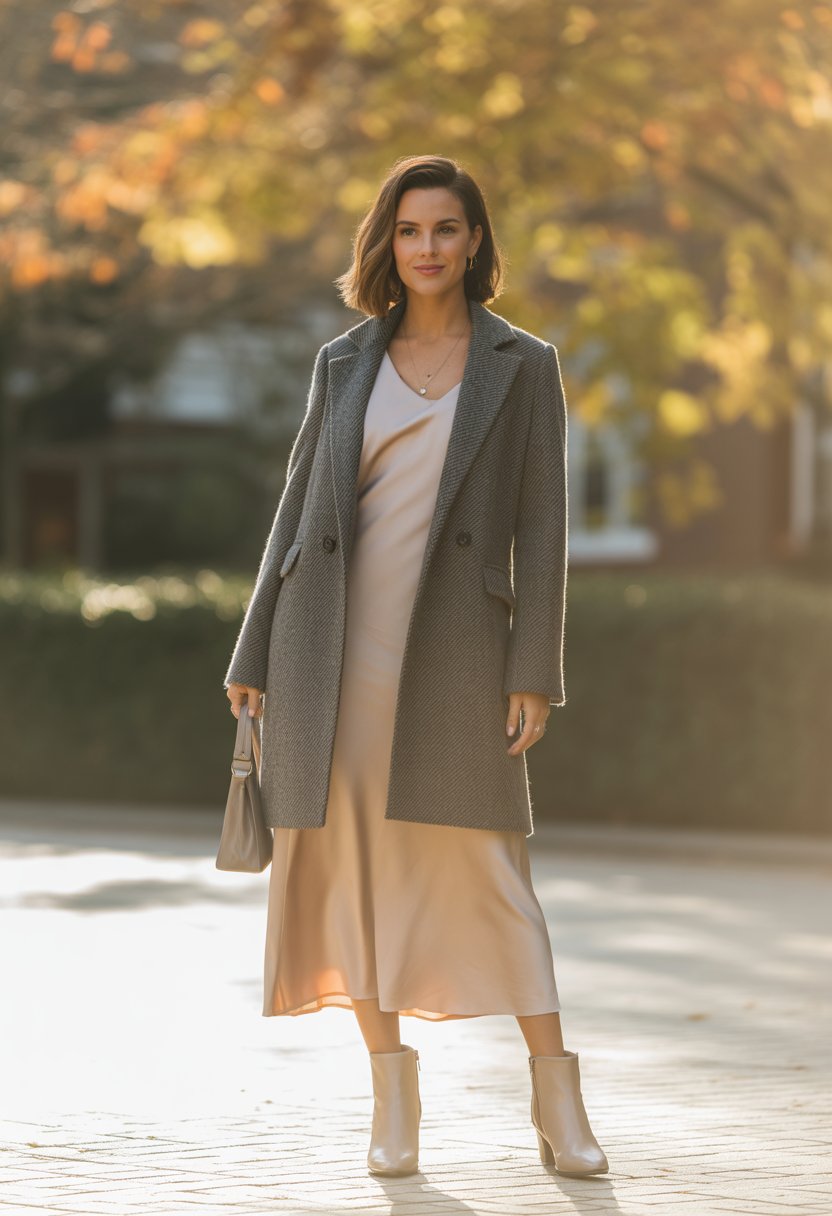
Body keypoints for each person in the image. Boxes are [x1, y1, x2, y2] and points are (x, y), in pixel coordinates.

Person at [223, 154, 608, 1179]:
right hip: (327, 653)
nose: (427, 247)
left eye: (445, 228)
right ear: (385, 243)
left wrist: (534, 669)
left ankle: (557, 1099)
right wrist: (253, 645)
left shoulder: (522, 364)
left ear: (475, 241)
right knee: (348, 875)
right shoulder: (344, 360)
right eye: (408, 230)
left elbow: (543, 525)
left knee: (493, 875)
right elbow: (297, 506)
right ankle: (392, 1096)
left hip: (453, 658)